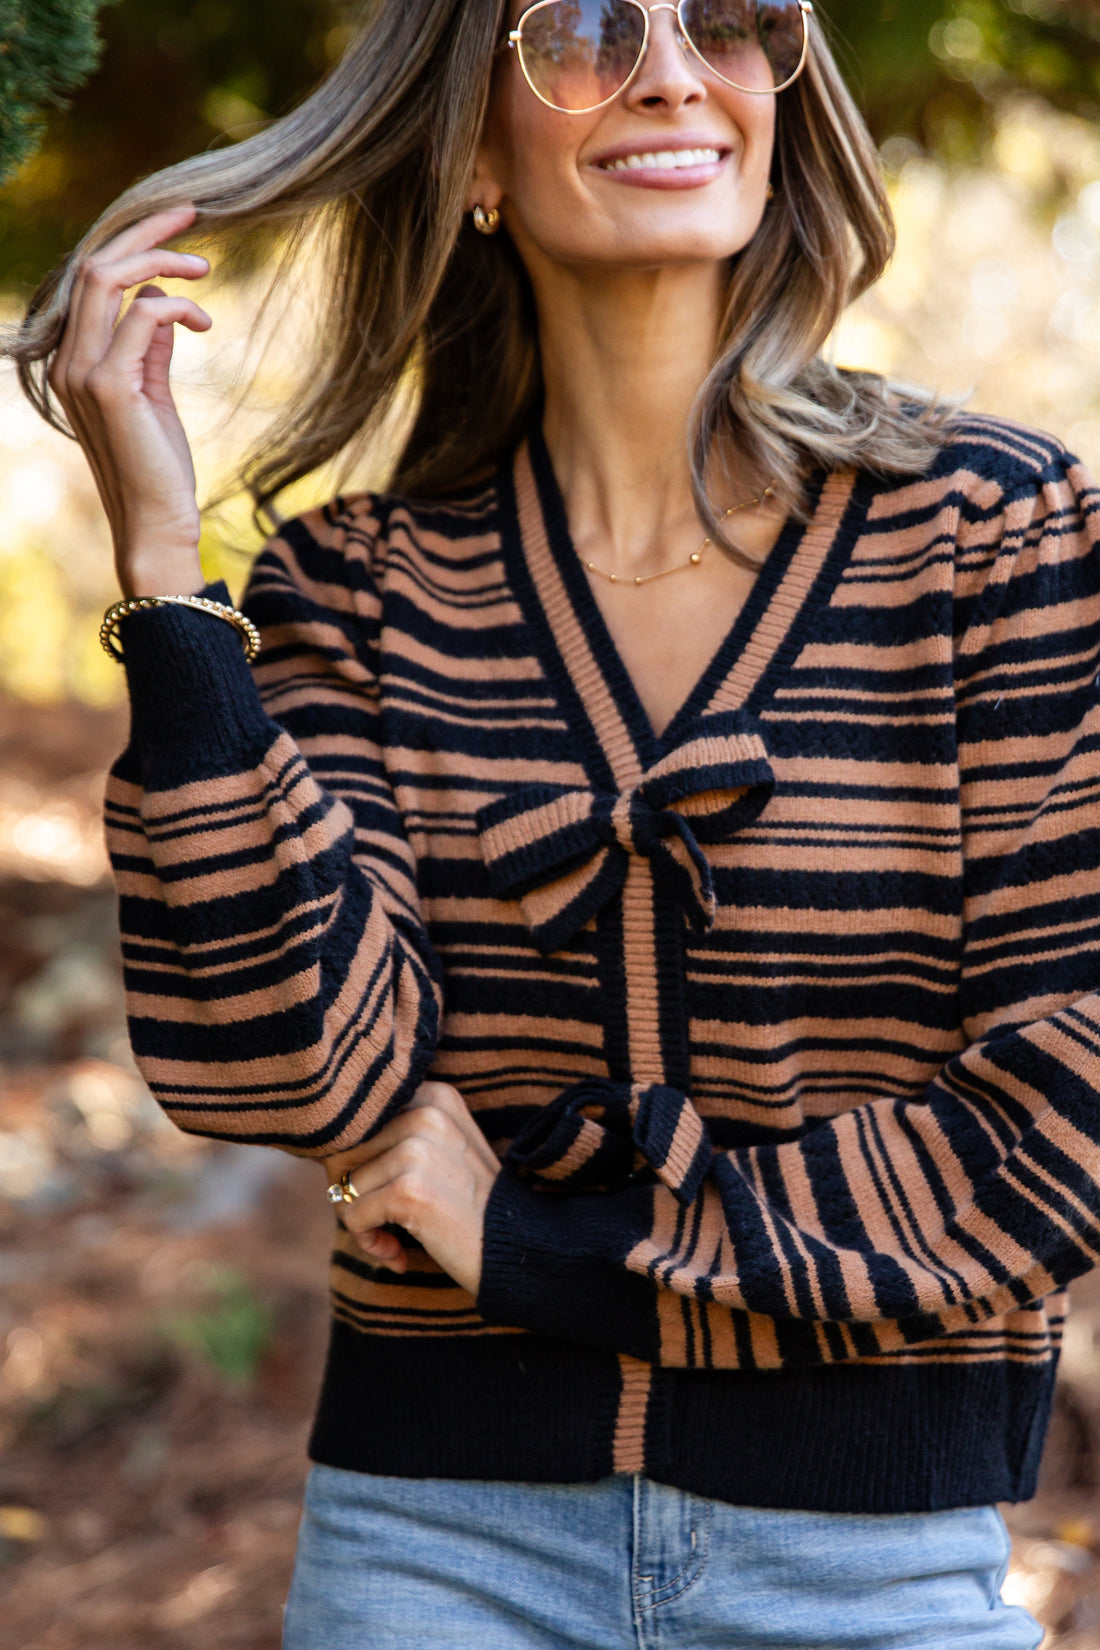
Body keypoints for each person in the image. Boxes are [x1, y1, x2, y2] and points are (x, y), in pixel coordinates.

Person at [8, 0, 1098, 1644]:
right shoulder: (353, 590)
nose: (672, 71)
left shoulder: (996, 540)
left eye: (730, 22)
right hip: (434, 1555)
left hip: (873, 1566)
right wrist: (168, 585)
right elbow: (288, 1062)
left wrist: (535, 1246)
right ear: (474, 161)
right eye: (582, 30)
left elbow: (1063, 1106)